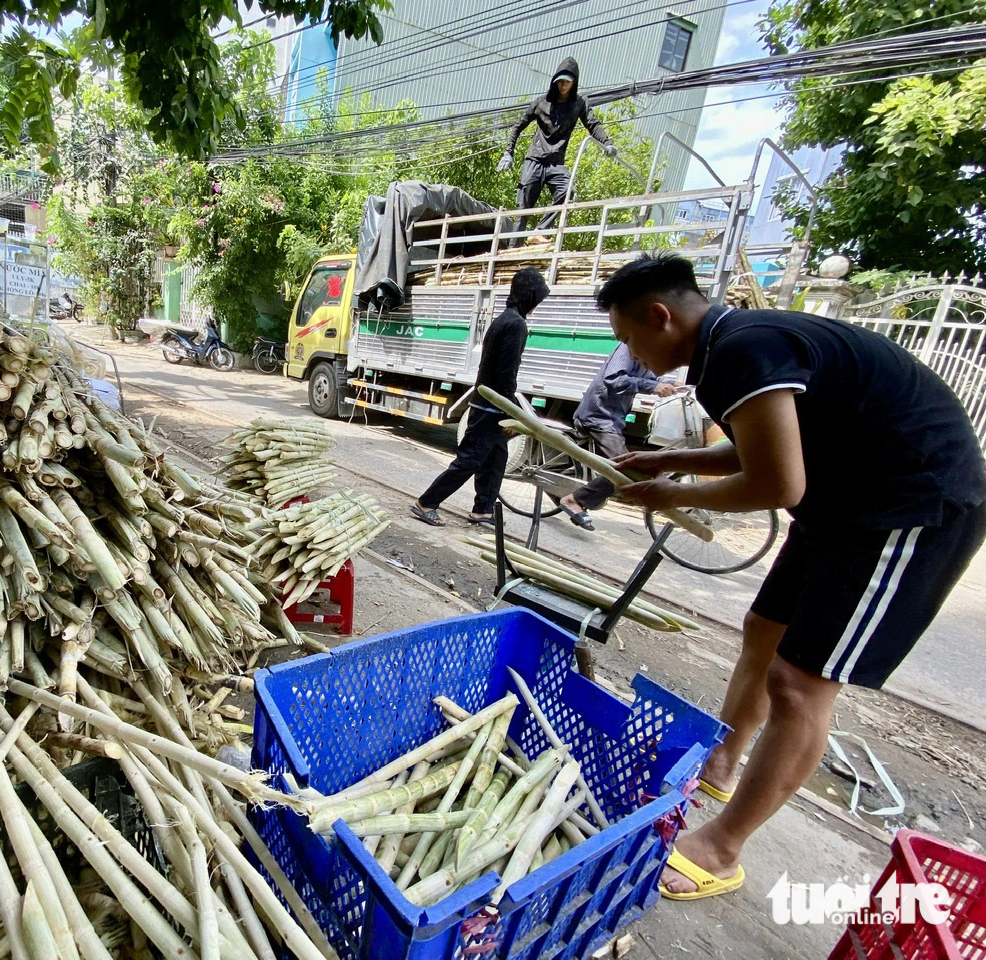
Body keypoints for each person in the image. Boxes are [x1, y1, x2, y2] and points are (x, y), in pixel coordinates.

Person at [597, 253, 985, 902]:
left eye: (629, 337)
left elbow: (779, 481)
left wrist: (672, 496)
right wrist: (674, 462)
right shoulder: (732, 347)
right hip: (844, 501)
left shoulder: (744, 350)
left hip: (910, 508)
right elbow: (760, 450)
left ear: (661, 316)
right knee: (762, 631)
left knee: (800, 683)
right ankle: (723, 762)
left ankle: (723, 849)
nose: (630, 354)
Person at [411, 268, 550, 527]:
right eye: (537, 299)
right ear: (529, 296)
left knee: (495, 461)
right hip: (491, 408)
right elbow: (505, 372)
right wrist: (510, 413)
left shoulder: (505, 319)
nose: (536, 305)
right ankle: (426, 502)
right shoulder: (516, 325)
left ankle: (483, 510)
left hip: (488, 404)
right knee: (470, 460)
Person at [557, 344, 679, 530]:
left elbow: (650, 378)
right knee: (625, 469)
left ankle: (590, 493)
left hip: (613, 419)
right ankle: (574, 500)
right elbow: (613, 379)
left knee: (627, 467)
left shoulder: (645, 349)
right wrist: (653, 386)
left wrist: (668, 383)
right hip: (598, 416)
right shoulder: (628, 346)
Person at [497, 57, 615, 243]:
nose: (563, 85)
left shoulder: (579, 104)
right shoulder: (541, 102)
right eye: (560, 81)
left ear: (574, 81)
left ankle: (540, 230)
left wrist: (607, 143)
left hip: (555, 164)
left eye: (567, 82)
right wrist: (508, 153)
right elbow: (517, 127)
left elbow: (593, 124)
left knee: (567, 192)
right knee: (523, 206)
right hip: (534, 160)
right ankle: (513, 250)